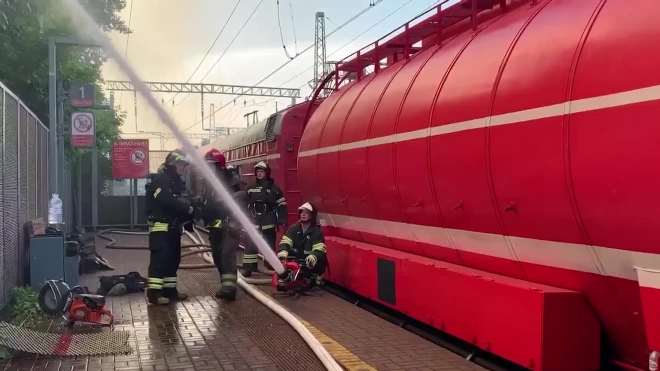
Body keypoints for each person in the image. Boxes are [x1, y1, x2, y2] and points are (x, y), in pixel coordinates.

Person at [145, 150, 199, 305]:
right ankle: (155, 294)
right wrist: (187, 208)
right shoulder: (161, 180)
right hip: (160, 227)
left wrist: (192, 214)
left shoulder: (177, 182)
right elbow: (167, 200)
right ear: (173, 164)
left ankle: (170, 291)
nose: (184, 168)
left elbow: (184, 199)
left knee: (173, 260)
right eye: (182, 164)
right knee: (160, 260)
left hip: (174, 228)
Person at [201, 149, 242, 300]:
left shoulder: (231, 180)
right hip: (214, 226)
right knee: (217, 256)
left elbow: (240, 201)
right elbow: (208, 203)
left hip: (229, 225)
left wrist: (234, 221)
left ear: (220, 165)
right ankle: (225, 283)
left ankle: (230, 288)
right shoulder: (208, 182)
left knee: (227, 255)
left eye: (212, 165)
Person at [241, 161, 287, 276]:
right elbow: (244, 203)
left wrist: (282, 219)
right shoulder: (250, 188)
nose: (259, 173)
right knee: (251, 244)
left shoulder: (274, 189)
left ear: (267, 173)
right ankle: (248, 268)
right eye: (257, 171)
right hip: (254, 219)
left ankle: (269, 265)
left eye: (262, 171)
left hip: (268, 220)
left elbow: (281, 204)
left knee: (269, 244)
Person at [277, 202, 327, 280]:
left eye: (306, 212)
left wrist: (313, 256)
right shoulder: (293, 229)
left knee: (317, 264)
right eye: (302, 212)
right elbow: (285, 241)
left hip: (309, 264)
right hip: (295, 260)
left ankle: (316, 278)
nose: (303, 214)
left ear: (312, 215)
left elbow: (320, 249)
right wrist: (283, 251)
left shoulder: (316, 232)